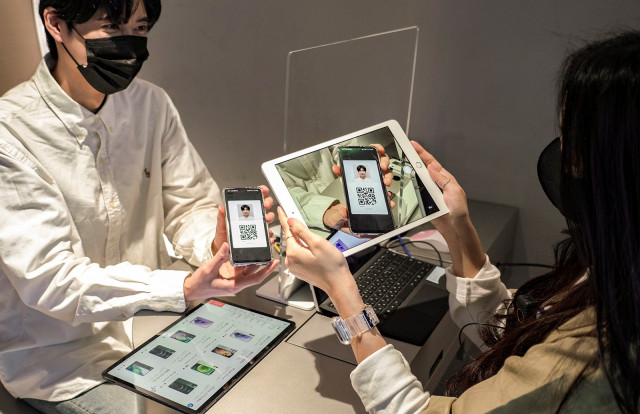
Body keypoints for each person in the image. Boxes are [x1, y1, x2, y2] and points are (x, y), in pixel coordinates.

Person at [278, 30, 640, 413]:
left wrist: (344, 296)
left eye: (569, 145)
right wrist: (456, 228)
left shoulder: (601, 351)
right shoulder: (614, 273)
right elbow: (517, 332)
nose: (562, 159)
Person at [0, 1, 277, 413]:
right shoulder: (11, 133)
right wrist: (181, 288)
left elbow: (189, 205)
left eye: (140, 28)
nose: (129, 44)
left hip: (157, 326)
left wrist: (215, 246)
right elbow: (53, 279)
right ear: (56, 24)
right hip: (62, 360)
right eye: (112, 27)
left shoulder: (150, 104)